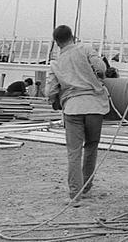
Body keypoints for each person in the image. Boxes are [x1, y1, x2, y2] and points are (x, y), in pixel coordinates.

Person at [45, 25, 109, 206]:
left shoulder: (56, 63)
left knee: (74, 152)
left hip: (73, 108)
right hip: (95, 106)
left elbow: (50, 91)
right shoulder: (86, 48)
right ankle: (87, 187)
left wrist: (54, 101)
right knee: (91, 146)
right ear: (73, 36)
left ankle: (75, 194)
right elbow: (101, 68)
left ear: (57, 43)